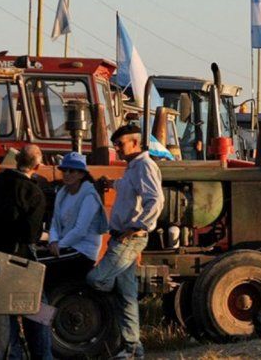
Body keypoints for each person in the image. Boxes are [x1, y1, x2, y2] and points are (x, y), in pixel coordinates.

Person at [86, 124, 164, 360]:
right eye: (115, 145)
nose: (117, 149)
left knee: (97, 279)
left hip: (129, 238)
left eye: (120, 144)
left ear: (135, 143)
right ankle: (132, 348)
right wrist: (112, 185)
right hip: (123, 236)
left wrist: (135, 228)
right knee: (126, 295)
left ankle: (114, 328)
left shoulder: (144, 165)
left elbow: (155, 199)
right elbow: (131, 189)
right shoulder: (133, 168)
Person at [0, 145, 52, 360]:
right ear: (37, 166)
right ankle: (42, 355)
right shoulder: (34, 192)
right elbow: (31, 235)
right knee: (41, 309)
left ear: (16, 160)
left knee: (4, 310)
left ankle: (14, 354)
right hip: (19, 260)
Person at [46, 152, 108, 286]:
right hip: (66, 246)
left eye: (72, 171)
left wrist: (59, 245)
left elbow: (80, 230)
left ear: (81, 174)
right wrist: (53, 241)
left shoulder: (89, 196)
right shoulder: (62, 193)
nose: (67, 174)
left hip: (83, 251)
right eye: (64, 170)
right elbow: (55, 223)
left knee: (42, 266)